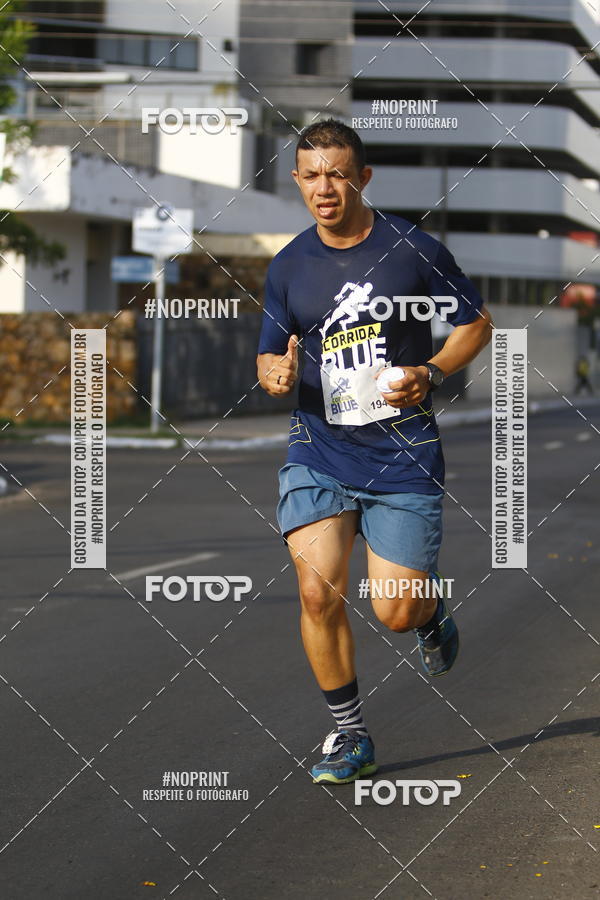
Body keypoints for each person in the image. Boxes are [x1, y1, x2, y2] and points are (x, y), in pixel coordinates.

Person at [257, 119, 493, 785]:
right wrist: (272, 372)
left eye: (337, 173)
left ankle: (427, 610)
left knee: (394, 610)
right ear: (298, 180)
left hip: (401, 456)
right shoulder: (289, 264)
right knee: (314, 592)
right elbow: (270, 352)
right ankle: (350, 734)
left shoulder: (412, 250)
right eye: (311, 174)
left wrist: (436, 372)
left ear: (362, 178)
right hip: (318, 449)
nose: (324, 187)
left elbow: (476, 324)